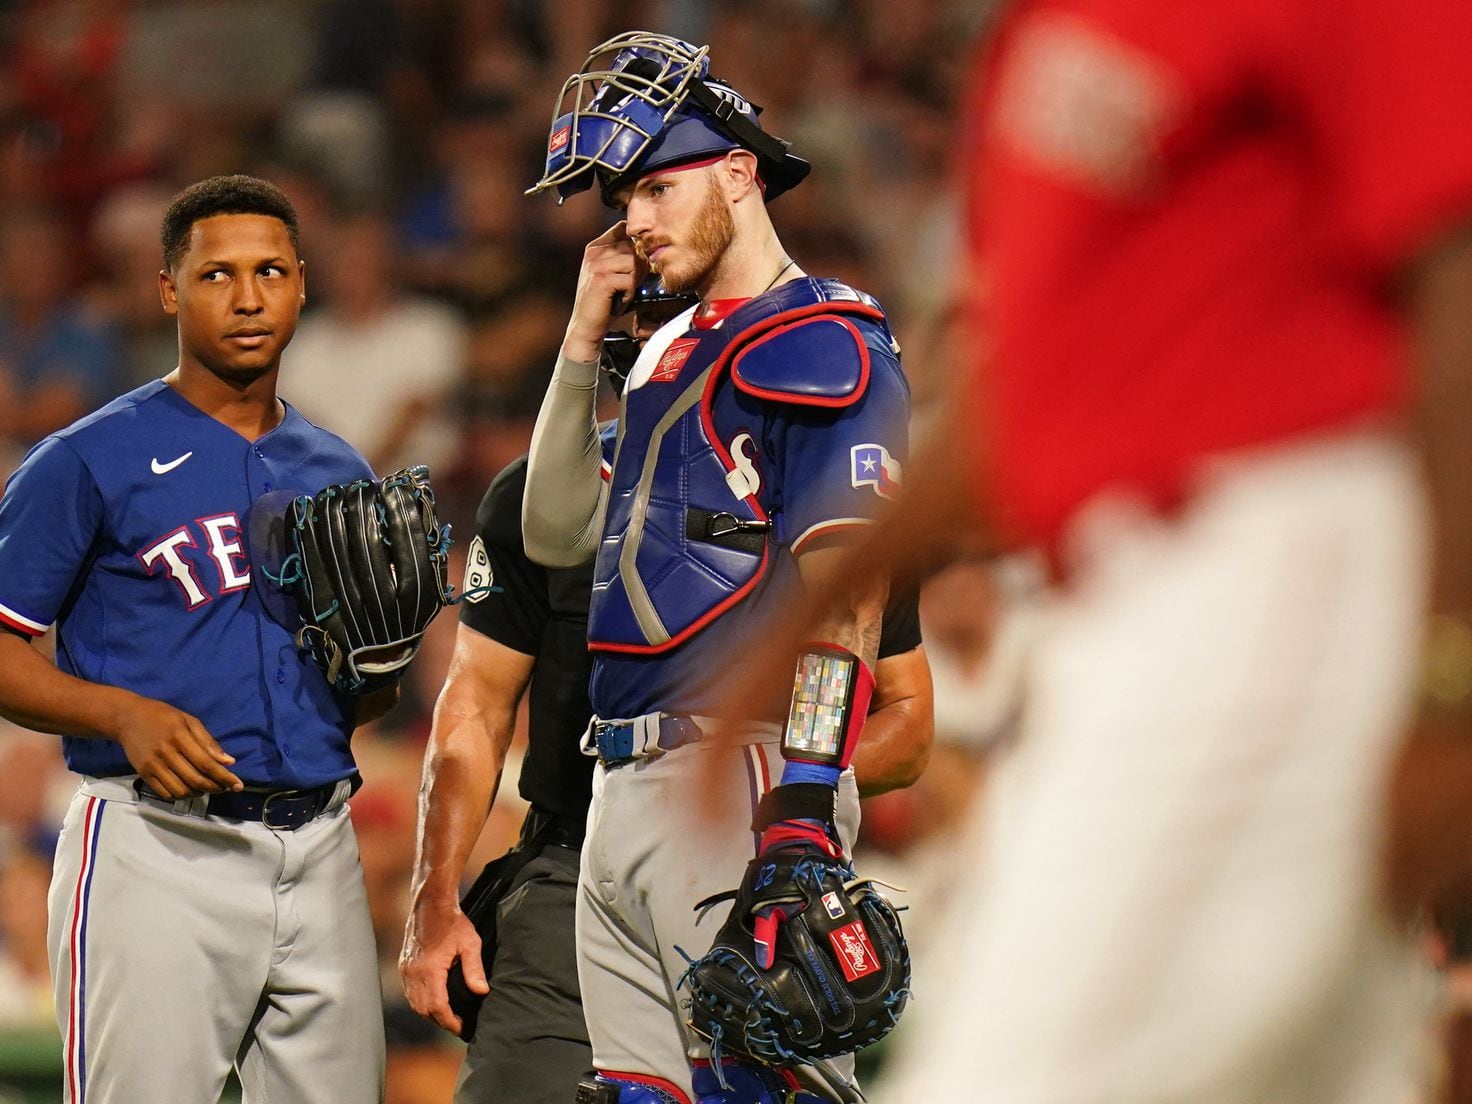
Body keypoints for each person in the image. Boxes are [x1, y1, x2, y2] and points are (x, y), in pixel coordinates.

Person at [758, 2, 1472, 1101]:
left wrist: (1447, 679)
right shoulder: (1040, 39)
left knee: (1009, 1077)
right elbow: (1030, 378)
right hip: (1137, 593)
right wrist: (820, 606)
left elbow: (1453, 275)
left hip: (1261, 557)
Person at [397, 286, 933, 1104]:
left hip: (738, 860)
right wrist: (433, 898)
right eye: (657, 324)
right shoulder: (540, 498)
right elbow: (472, 706)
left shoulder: (819, 491)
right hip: (565, 873)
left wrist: (757, 777)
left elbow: (908, 718)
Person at [520, 31, 914, 1104]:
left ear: (738, 173)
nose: (633, 221)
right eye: (622, 196)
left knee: (762, 1092)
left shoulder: (825, 339)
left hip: (732, 774)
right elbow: (555, 533)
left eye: (655, 185)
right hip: (622, 782)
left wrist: (801, 796)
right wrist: (577, 343)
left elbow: (852, 591)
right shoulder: (665, 348)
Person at [0, 174, 392, 1103]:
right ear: (169, 289)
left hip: (323, 844)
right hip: (158, 848)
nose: (248, 297)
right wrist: (119, 712)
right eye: (217, 274)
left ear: (302, 283)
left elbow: (363, 694)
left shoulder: (337, 467)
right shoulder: (89, 456)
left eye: (270, 272)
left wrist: (381, 667)